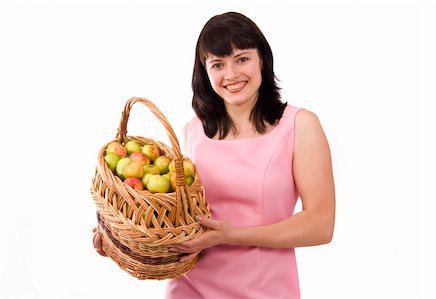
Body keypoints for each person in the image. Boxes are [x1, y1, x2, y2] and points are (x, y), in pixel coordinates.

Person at [93, 11, 335, 299]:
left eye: (242, 58)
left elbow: (321, 225)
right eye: (218, 64)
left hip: (264, 290)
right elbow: (180, 217)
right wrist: (123, 241)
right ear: (205, 72)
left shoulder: (299, 125)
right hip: (189, 287)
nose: (231, 75)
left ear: (263, 60)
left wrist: (231, 235)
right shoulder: (192, 132)